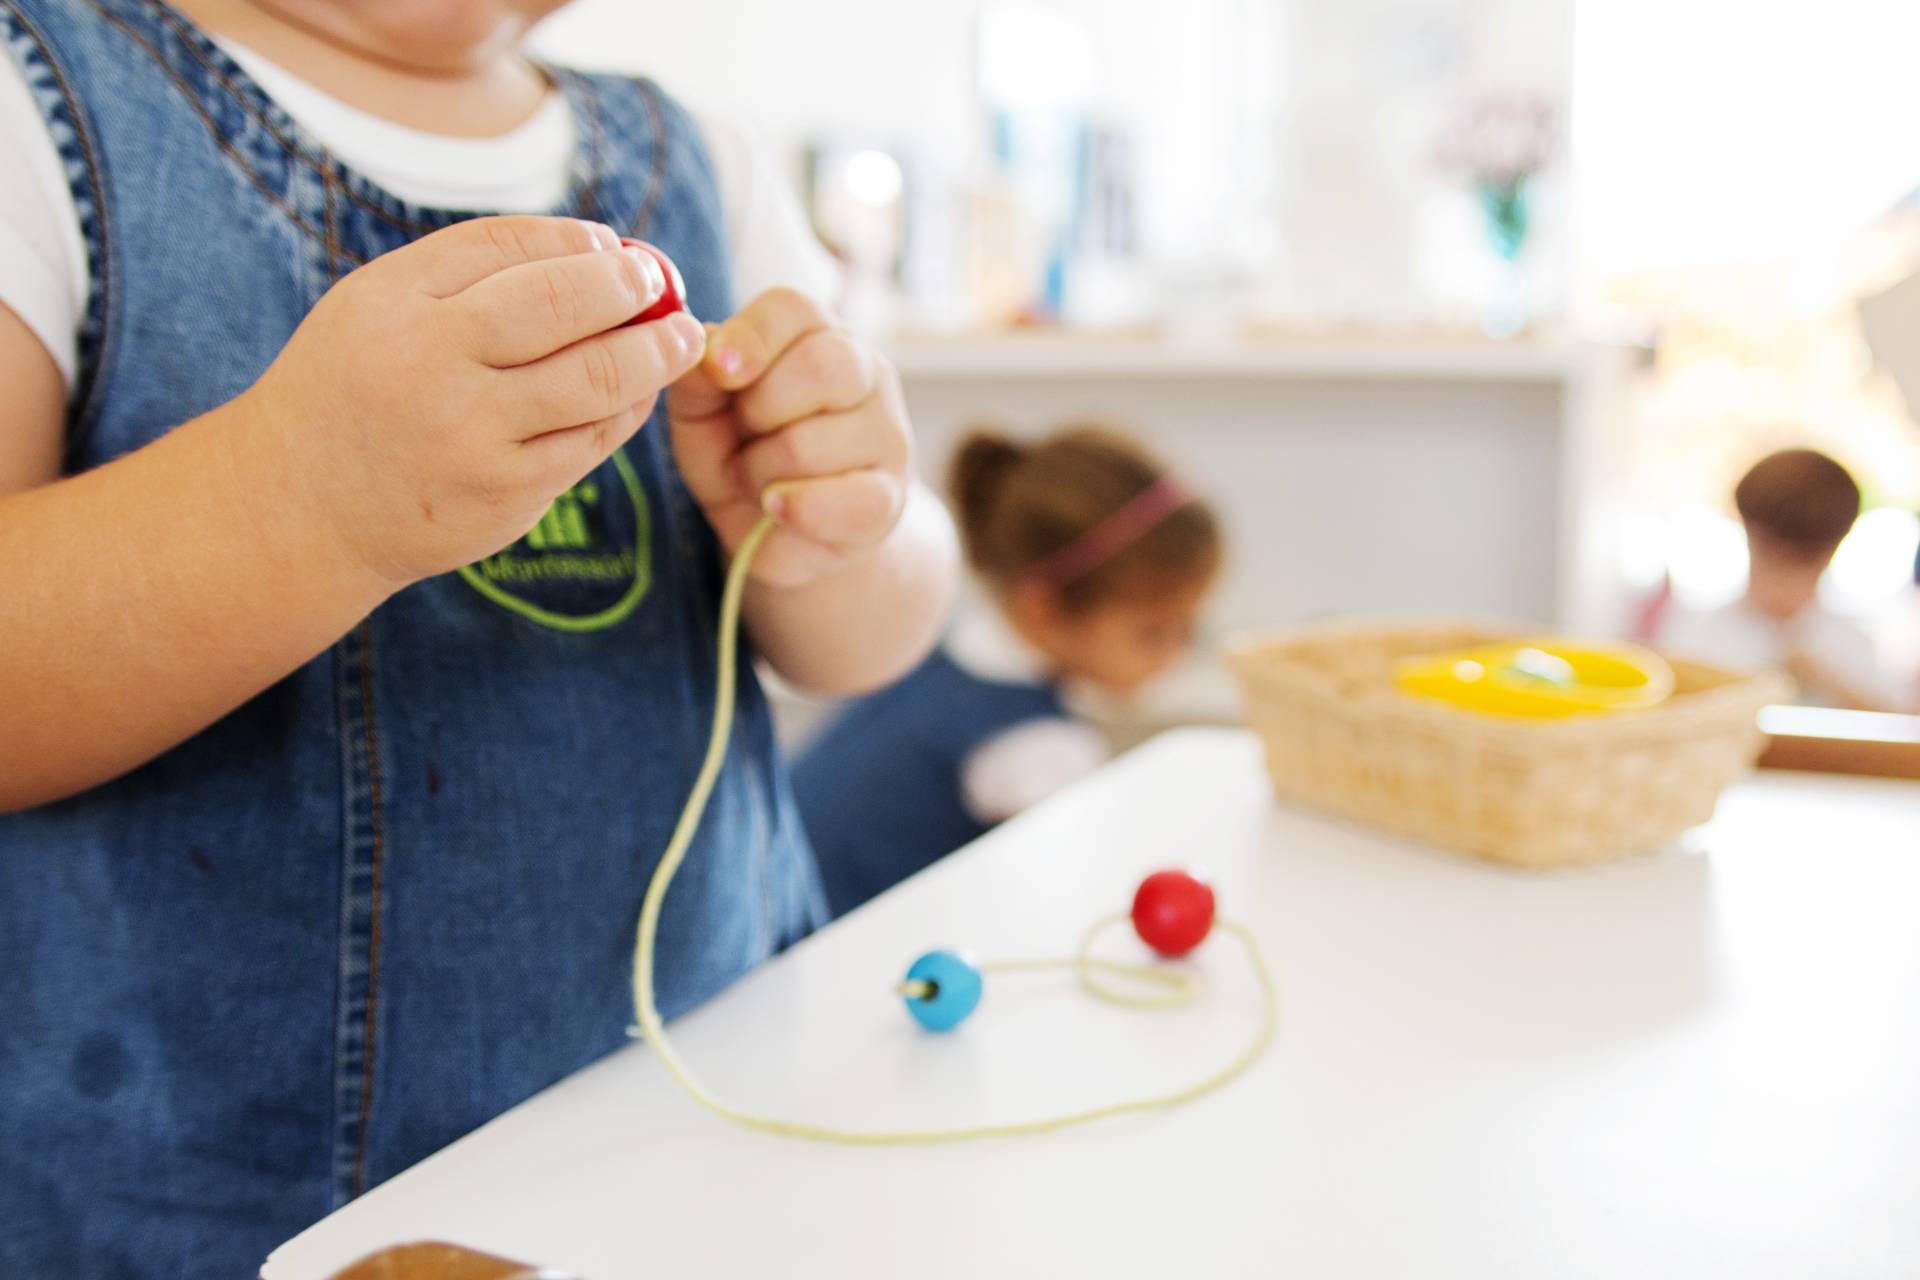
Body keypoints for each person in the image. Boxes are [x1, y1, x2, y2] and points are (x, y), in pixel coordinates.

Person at [0, 1, 957, 1272]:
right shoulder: (37, 106)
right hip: (215, 1201)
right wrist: (292, 499)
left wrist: (846, 528)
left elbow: (869, 633)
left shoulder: (702, 159)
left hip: (706, 1147)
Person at [794, 426, 1222, 917]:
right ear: (1045, 611)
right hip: (831, 952)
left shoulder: (936, 653)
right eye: (1154, 632)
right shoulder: (1035, 746)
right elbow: (1080, 900)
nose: (1180, 653)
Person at [1653, 448, 1896, 710]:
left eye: (1800, 566)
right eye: (1770, 560)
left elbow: (1891, 728)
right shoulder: (1696, 631)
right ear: (1749, 538)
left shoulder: (1851, 641)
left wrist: (1823, 676)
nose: (1782, 585)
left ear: (1830, 553)